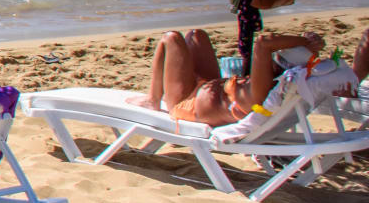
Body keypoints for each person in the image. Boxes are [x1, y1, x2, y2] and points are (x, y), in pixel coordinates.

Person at [134, 26, 336, 126]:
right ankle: (163, 88)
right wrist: (310, 45)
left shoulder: (261, 89)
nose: (272, 57)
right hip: (208, 89)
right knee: (196, 35)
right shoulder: (273, 83)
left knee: (171, 38)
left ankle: (153, 99)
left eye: (277, 56)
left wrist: (303, 40)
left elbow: (264, 42)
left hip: (186, 103)